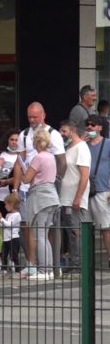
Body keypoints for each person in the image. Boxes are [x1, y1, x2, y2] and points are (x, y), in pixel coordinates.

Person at [12, 102, 66, 270]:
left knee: (46, 229)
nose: (32, 120)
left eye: (35, 116)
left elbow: (62, 161)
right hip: (29, 187)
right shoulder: (24, 134)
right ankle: (33, 263)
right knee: (29, 226)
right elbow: (19, 163)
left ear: (43, 115)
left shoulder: (53, 134)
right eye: (29, 117)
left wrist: (55, 179)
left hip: (43, 184)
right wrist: (15, 188)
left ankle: (49, 265)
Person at [17, 129, 60, 281]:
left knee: (39, 235)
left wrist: (23, 170)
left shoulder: (38, 157)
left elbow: (27, 179)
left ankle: (43, 270)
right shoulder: (51, 157)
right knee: (44, 235)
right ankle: (49, 269)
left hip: (40, 196)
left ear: (36, 142)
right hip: (52, 196)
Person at [56, 120, 90, 271]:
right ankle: (74, 261)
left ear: (72, 130)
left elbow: (84, 175)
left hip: (73, 198)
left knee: (76, 231)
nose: (62, 134)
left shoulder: (81, 147)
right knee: (70, 231)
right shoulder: (67, 147)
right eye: (60, 131)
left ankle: (79, 263)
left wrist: (78, 197)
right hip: (65, 197)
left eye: (64, 131)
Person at [85, 115, 110, 268]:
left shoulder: (108, 144)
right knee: (86, 228)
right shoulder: (83, 145)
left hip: (103, 190)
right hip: (85, 192)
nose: (89, 127)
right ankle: (88, 262)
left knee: (106, 227)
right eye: (87, 124)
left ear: (100, 127)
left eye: (93, 125)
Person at [0, 193, 22, 276]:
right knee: (4, 255)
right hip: (6, 238)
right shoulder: (8, 215)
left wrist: (2, 219)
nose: (5, 206)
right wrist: (0, 222)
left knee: (14, 256)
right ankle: (3, 270)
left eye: (6, 204)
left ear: (12, 205)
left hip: (13, 238)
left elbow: (10, 225)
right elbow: (5, 225)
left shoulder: (17, 215)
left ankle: (17, 271)